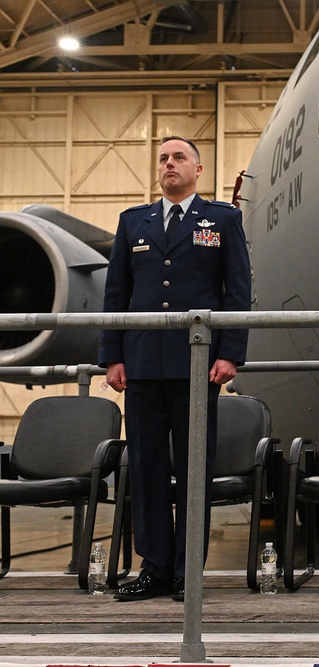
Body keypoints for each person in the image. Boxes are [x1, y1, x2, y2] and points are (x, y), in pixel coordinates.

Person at [99, 136, 252, 602]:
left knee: (193, 470)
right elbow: (116, 296)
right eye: (163, 158)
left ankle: (189, 570)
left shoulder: (223, 219)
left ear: (198, 169)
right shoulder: (132, 222)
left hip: (197, 362)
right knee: (145, 468)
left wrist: (231, 353)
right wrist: (113, 356)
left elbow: (237, 291)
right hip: (142, 364)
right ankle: (155, 567)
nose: (169, 164)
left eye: (178, 157)